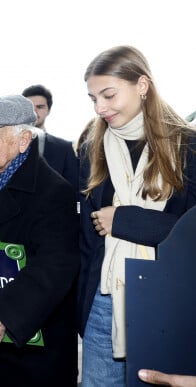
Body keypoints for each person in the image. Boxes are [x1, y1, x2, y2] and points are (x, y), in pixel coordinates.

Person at [78, 45, 196, 387]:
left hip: (169, 301)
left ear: (142, 85)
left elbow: (191, 233)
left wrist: (125, 221)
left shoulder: (188, 147)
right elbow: (83, 233)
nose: (100, 107)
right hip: (102, 302)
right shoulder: (92, 146)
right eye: (92, 98)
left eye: (108, 94)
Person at [0, 95, 80, 386]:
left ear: (24, 140)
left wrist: (1, 316)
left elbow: (54, 267)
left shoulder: (54, 193)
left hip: (28, 343)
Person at [21, 84, 79, 190]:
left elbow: (72, 189)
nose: (34, 112)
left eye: (40, 107)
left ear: (48, 110)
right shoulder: (6, 144)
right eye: (29, 107)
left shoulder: (64, 148)